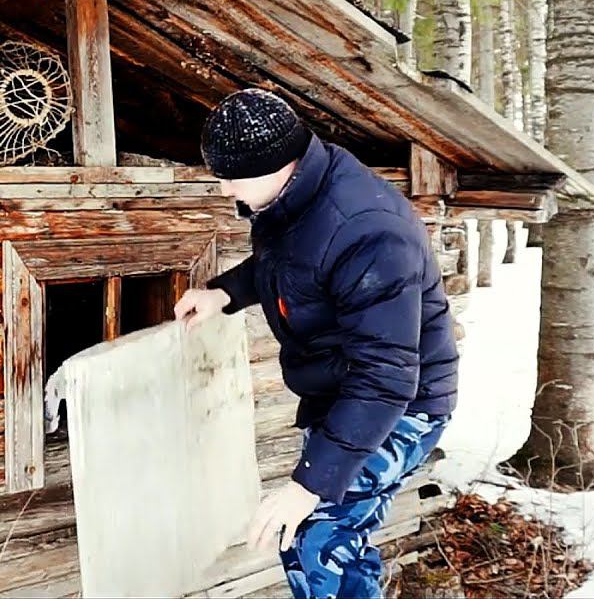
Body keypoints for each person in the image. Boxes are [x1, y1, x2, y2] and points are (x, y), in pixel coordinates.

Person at [173, 88, 459, 599]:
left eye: (230, 177)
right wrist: (223, 293)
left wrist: (309, 486)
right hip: (345, 390)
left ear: (276, 165)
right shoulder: (297, 194)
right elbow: (295, 266)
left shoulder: (369, 232)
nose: (224, 191)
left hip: (401, 401)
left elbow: (387, 375)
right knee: (332, 537)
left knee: (314, 536)